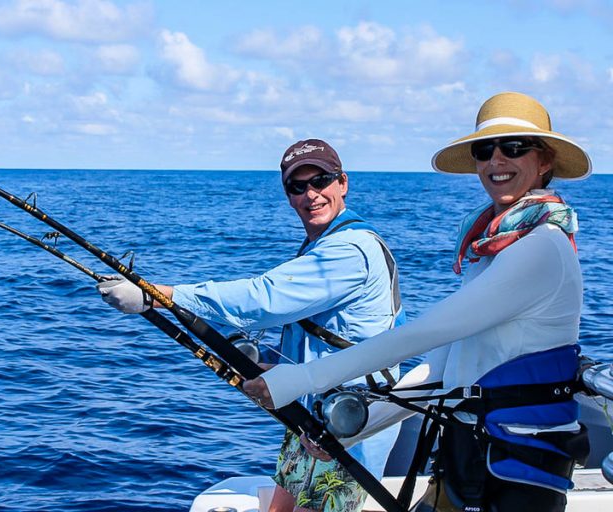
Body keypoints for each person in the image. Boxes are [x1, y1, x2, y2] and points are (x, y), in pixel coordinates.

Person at [244, 92, 593, 511]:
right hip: (468, 454)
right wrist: (352, 429)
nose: (497, 160)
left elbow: (422, 334)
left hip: (521, 464)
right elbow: (443, 365)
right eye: (485, 150)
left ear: (545, 161)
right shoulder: (492, 251)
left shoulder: (542, 248)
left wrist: (298, 380)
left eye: (514, 147)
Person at [97, 139, 405, 512]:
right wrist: (274, 372)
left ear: (343, 183)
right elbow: (329, 337)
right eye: (298, 186)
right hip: (311, 414)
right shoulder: (321, 245)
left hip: (349, 421)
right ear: (288, 195)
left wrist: (161, 295)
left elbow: (264, 298)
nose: (311, 194)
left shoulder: (350, 250)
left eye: (321, 180)